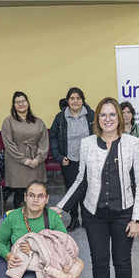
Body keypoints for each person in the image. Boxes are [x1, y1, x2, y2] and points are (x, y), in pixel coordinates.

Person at [53, 97, 139, 278]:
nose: (108, 119)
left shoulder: (133, 143)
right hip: (94, 214)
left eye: (112, 114)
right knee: (100, 263)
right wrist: (60, 206)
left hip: (124, 213)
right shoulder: (86, 144)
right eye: (103, 115)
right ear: (97, 119)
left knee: (122, 263)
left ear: (119, 118)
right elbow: (81, 180)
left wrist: (137, 219)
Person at [49, 87, 95, 232]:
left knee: (87, 190)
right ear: (68, 101)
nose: (75, 101)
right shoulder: (60, 117)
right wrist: (58, 157)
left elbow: (99, 135)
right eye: (72, 98)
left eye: (78, 98)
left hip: (88, 161)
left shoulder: (91, 115)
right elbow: (53, 137)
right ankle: (74, 218)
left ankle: (87, 219)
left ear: (83, 101)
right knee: (71, 190)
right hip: (69, 161)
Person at [1, 91, 49, 209]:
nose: (21, 104)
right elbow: (9, 144)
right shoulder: (8, 122)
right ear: (14, 105)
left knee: (36, 193)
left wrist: (38, 159)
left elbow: (44, 142)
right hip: (17, 163)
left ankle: (37, 222)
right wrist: (24, 160)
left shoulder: (38, 121)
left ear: (28, 103)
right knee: (20, 193)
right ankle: (20, 224)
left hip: (36, 162)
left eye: (23, 101)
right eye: (17, 102)